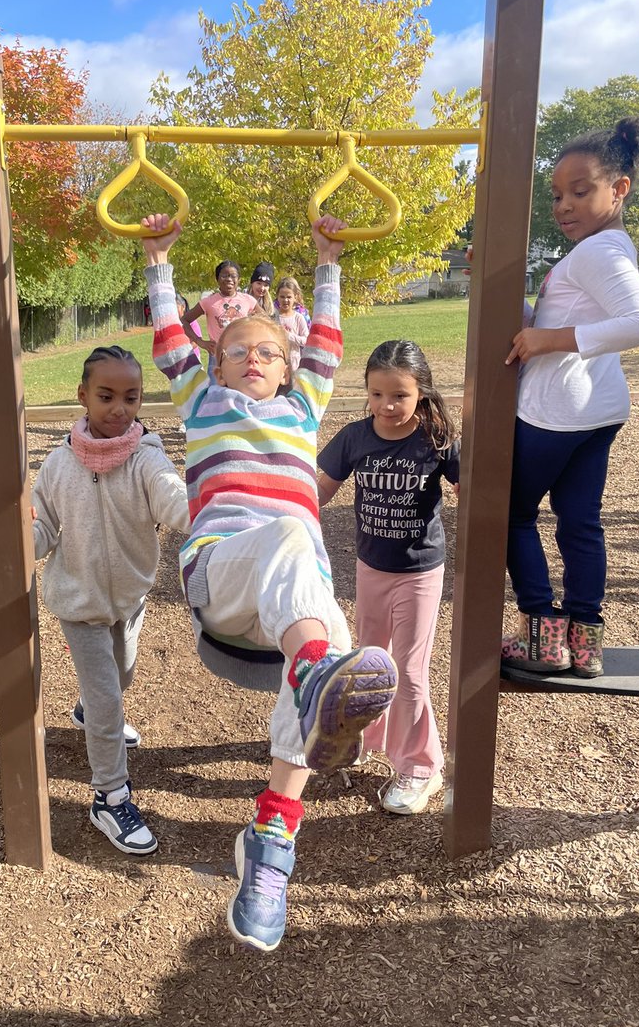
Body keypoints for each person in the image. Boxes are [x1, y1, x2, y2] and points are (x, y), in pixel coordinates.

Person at [142, 210, 397, 953]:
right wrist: (159, 263)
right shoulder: (203, 402)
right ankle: (318, 673)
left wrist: (328, 263)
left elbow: (327, 341)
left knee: (334, 646)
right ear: (214, 366)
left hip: (290, 604)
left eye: (267, 350)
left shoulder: (302, 406)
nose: (253, 356)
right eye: (236, 350)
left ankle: (271, 841)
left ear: (287, 370)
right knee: (293, 540)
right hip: (223, 573)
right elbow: (166, 341)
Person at [501, 116, 639, 678]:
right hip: (598, 411)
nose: (563, 205)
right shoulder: (605, 247)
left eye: (580, 191)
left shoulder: (597, 253)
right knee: (580, 522)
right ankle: (585, 643)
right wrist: (527, 317)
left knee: (511, 515)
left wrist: (549, 339)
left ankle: (543, 637)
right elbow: (557, 319)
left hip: (555, 413)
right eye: (558, 194)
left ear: (619, 190)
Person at [31, 345, 190, 855]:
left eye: (131, 397)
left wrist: (206, 513)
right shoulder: (57, 465)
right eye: (106, 396)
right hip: (77, 602)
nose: (119, 408)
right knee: (107, 702)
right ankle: (109, 795)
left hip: (129, 595)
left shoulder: (147, 457)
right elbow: (43, 528)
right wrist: (21, 539)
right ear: (82, 396)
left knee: (121, 678)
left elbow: (171, 496)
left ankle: (88, 708)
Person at [317, 340, 459, 815]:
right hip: (370, 567)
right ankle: (371, 738)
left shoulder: (436, 439)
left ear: (421, 392)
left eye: (399, 395)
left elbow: (474, 484)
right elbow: (319, 490)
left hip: (419, 572)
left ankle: (422, 767)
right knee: (371, 663)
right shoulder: (357, 437)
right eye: (377, 394)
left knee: (412, 673)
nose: (386, 406)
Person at [179, 260, 258, 376]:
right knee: (216, 392)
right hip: (217, 356)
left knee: (241, 390)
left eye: (233, 276)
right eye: (224, 276)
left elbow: (266, 320)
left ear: (239, 279)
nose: (229, 279)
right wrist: (200, 342)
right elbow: (184, 320)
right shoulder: (208, 302)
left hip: (242, 355)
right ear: (217, 279)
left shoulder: (248, 300)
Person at [275, 276, 310, 371]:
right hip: (276, 361)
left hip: (294, 363)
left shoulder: (298, 318)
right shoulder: (273, 318)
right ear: (277, 297)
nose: (285, 300)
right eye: (282, 297)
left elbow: (306, 341)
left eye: (289, 297)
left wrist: (288, 336)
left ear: (295, 297)